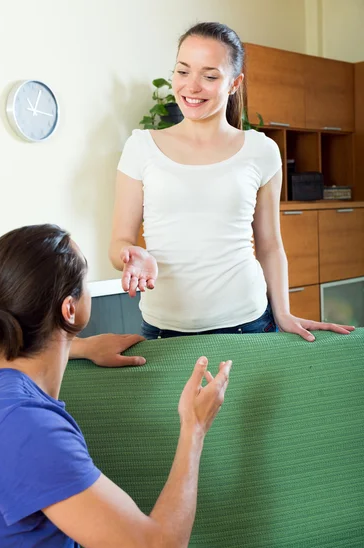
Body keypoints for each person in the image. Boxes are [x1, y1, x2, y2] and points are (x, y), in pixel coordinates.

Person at [0, 224, 265, 548]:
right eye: (86, 279)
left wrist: (78, 346)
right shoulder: (26, 429)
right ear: (70, 309)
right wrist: (194, 428)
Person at [109, 21, 354, 342]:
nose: (191, 86)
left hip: (248, 322)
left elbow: (269, 245)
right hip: (164, 329)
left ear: (234, 83)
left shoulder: (261, 150)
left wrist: (283, 313)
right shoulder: (141, 146)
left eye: (209, 76)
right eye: (183, 72)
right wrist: (132, 255)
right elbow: (119, 242)